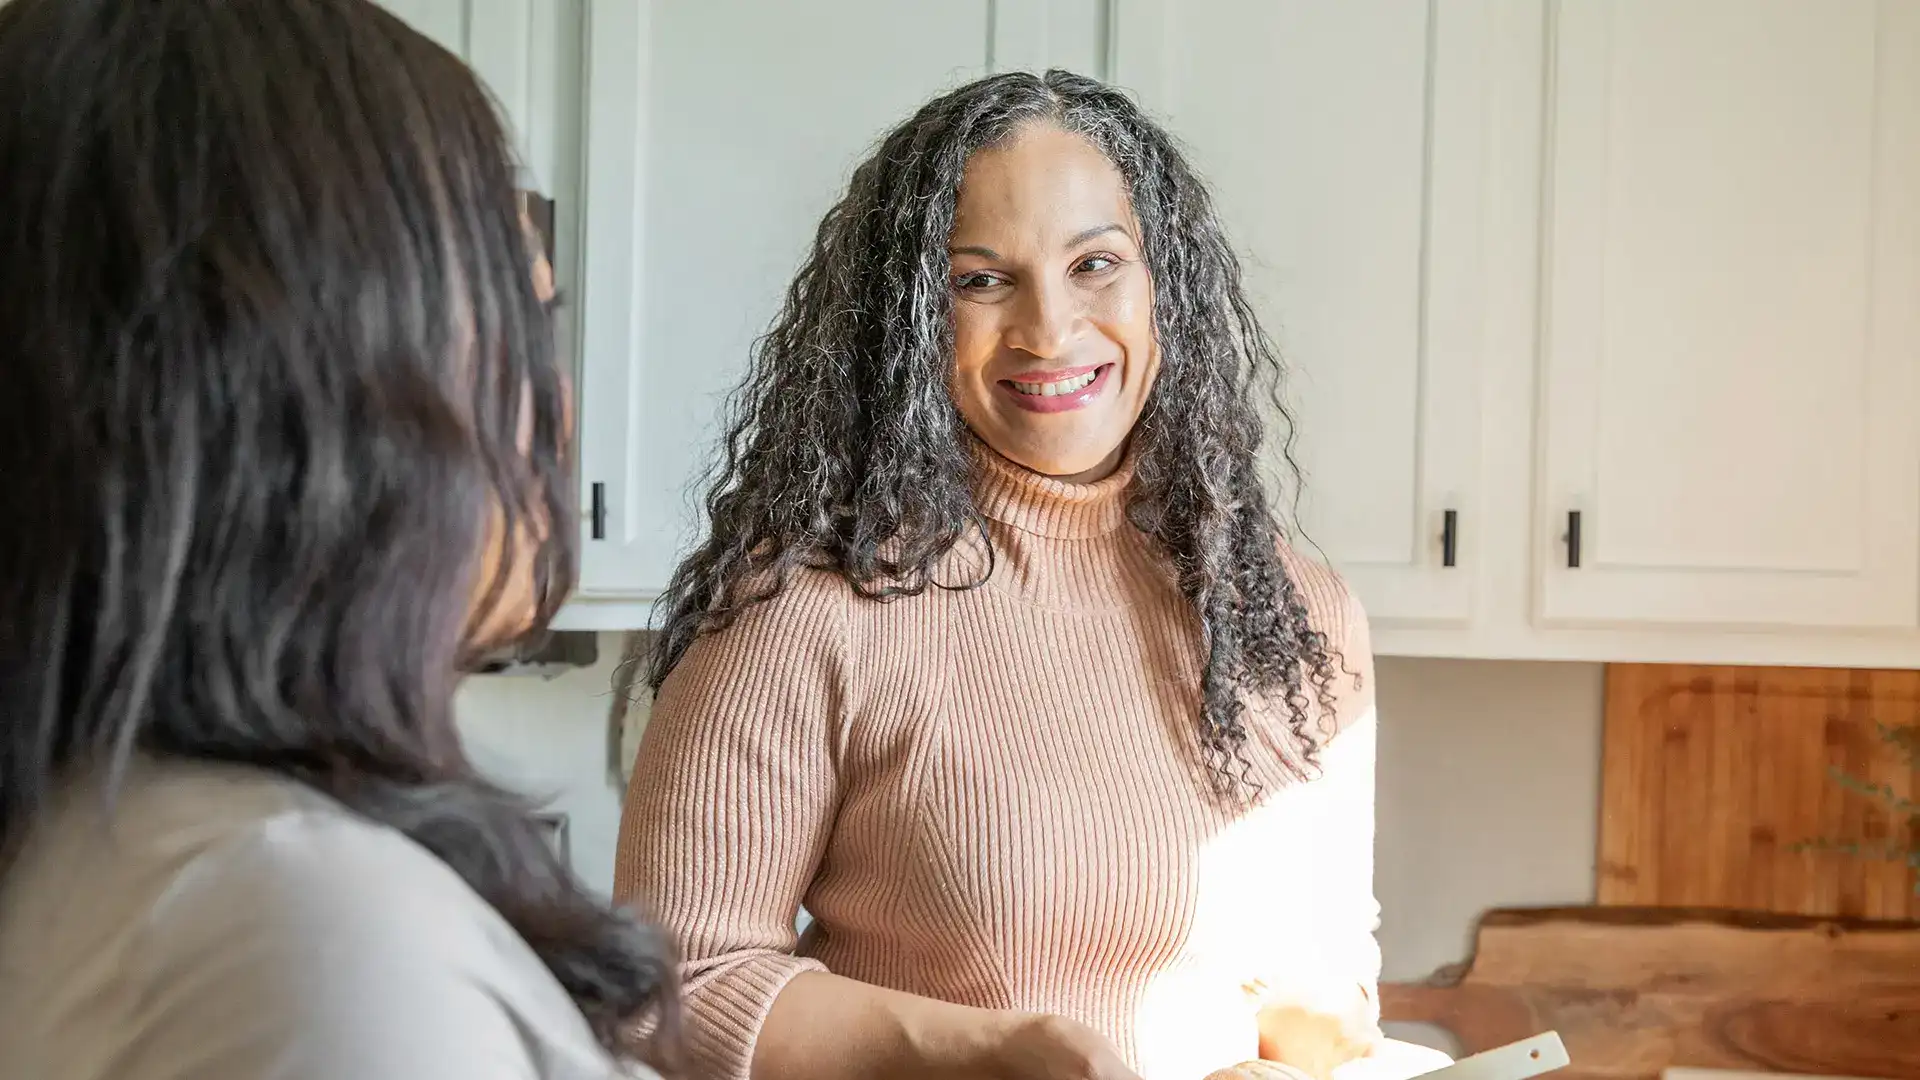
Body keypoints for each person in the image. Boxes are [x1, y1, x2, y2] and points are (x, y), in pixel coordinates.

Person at [616, 69, 1453, 1080]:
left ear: (1166, 288)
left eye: (1096, 263)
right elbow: (674, 985)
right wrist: (995, 1052)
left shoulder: (1291, 612)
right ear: (911, 318)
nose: (1049, 330)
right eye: (978, 279)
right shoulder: (804, 607)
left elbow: (1315, 986)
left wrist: (1315, 1040)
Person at [0, 1, 676, 1077]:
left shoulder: (143, 839)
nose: (558, 408)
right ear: (324, 390)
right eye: (521, 323)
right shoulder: (305, 929)